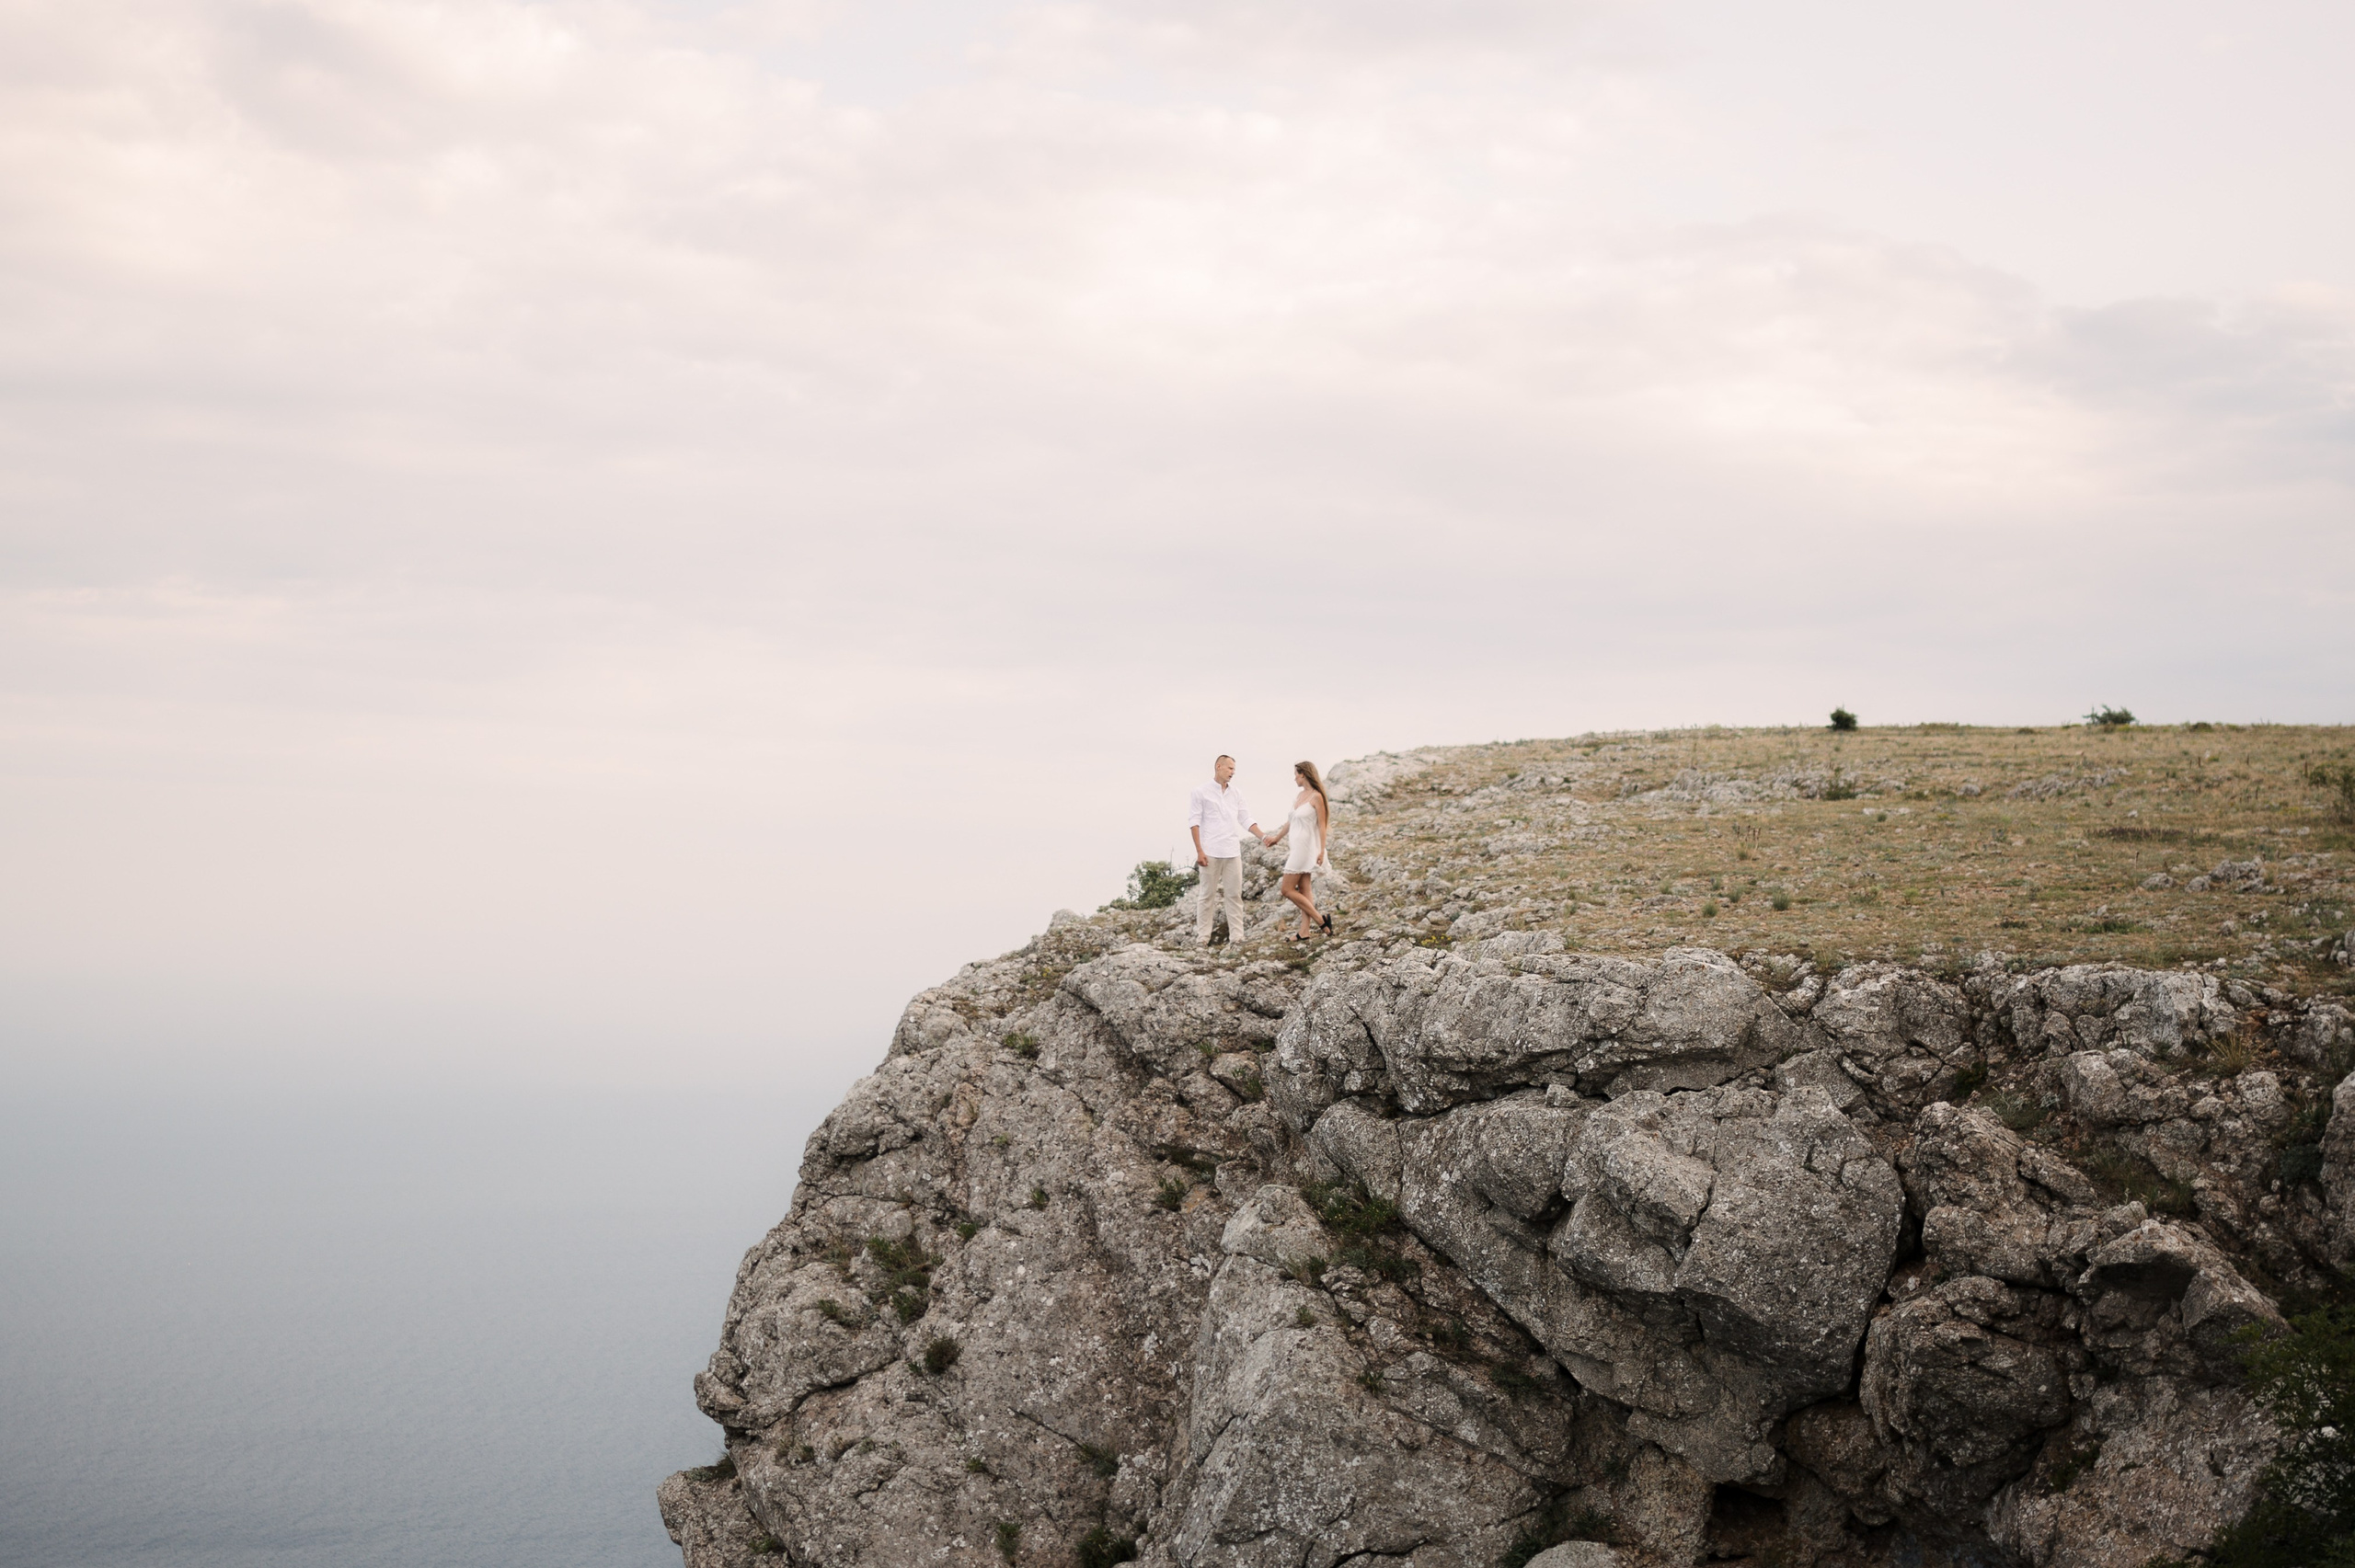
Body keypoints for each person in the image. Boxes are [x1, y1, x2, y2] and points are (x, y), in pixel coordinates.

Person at [1188, 755, 1264, 947]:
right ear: (1218, 766)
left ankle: (1237, 938)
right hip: (1210, 852)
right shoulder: (1200, 792)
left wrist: (1263, 837)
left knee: (1234, 896)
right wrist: (1199, 851)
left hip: (1232, 852)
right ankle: (1202, 938)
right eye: (1229, 768)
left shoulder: (1236, 793)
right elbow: (1194, 822)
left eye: (1234, 769)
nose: (1233, 772)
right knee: (1207, 896)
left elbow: (1246, 819)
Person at [1259, 760, 1333, 941]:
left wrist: (1322, 851)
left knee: (1287, 889)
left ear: (1303, 774)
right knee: (1304, 888)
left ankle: (1320, 920)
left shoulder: (1317, 797)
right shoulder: (1300, 797)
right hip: (1296, 847)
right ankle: (1304, 931)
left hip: (1306, 848)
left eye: (1296, 774)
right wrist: (1276, 838)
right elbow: (1291, 822)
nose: (1294, 779)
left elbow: (1322, 826)